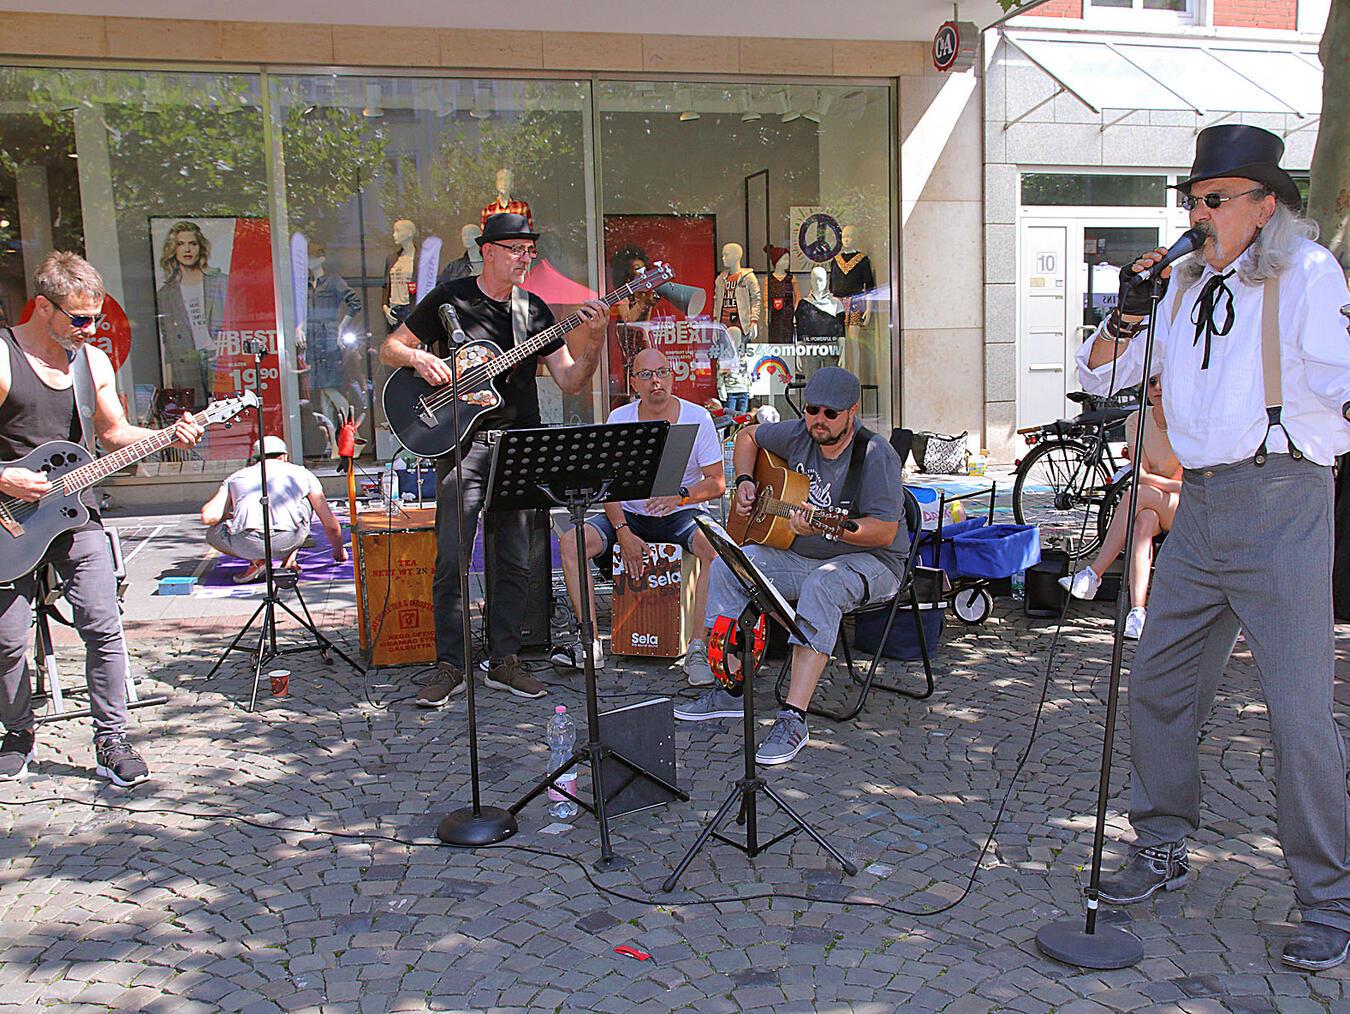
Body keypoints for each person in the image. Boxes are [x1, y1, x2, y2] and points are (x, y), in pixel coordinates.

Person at [1076, 124, 1350, 971]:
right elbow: (1097, 379)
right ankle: (1160, 843)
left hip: (1284, 501)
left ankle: (1330, 902)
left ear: (1265, 207)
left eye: (1214, 199)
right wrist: (1124, 316)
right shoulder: (1185, 287)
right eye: (1193, 199)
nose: (1198, 214)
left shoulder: (1307, 275)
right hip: (1199, 509)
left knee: (1299, 712)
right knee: (1159, 680)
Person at [380, 213, 605, 706]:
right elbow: (390, 347)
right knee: (453, 556)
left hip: (520, 446)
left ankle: (505, 660)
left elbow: (569, 381)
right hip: (462, 443)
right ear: (488, 251)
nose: (526, 258)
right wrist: (421, 359)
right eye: (516, 249)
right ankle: (450, 665)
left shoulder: (536, 311)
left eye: (530, 250)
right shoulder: (449, 298)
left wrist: (595, 342)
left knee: (516, 558)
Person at [0, 252, 204, 786]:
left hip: (74, 509)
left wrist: (166, 438)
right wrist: (4, 477)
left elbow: (113, 433)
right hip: (10, 518)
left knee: (102, 624)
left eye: (96, 319)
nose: (90, 330)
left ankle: (112, 739)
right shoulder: (3, 357)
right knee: (6, 639)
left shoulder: (89, 362)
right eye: (79, 319)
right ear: (43, 308)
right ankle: (18, 733)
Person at [674, 367, 907, 765]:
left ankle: (794, 717)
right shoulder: (799, 433)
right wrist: (746, 480)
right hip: (801, 555)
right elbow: (747, 436)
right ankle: (731, 688)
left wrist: (830, 526)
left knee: (823, 585)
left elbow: (884, 533)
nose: (818, 419)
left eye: (830, 413)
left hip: (873, 563)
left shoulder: (875, 455)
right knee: (734, 563)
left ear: (853, 412)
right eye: (811, 409)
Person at [550, 347, 726, 680]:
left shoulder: (698, 417)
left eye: (662, 372)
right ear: (634, 382)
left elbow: (717, 483)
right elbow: (608, 486)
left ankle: (699, 647)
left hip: (679, 512)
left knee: (714, 550)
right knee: (571, 543)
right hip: (629, 513)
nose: (656, 381)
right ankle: (590, 644)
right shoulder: (620, 419)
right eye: (646, 375)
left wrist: (681, 496)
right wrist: (622, 531)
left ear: (672, 376)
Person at [1059, 374, 1181, 639]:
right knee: (1143, 523)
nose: (1158, 387)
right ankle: (1137, 612)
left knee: (1136, 495)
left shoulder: (1186, 421)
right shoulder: (1136, 420)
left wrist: (1154, 485)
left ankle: (1094, 573)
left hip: (1181, 505)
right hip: (1152, 502)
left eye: (1164, 381)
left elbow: (1183, 484)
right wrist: (1156, 485)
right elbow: (1140, 473)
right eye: (1151, 382)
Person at [201, 435, 347, 584]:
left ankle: (257, 561)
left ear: (254, 459)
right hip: (288, 540)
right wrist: (339, 552)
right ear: (284, 456)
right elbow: (329, 523)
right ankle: (289, 559)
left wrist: (230, 516)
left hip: (246, 544)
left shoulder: (235, 477)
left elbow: (208, 517)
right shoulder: (302, 473)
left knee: (213, 532)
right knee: (307, 502)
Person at [155, 220, 228, 409]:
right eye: (180, 244)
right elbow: (168, 342)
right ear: (173, 249)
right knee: (194, 417)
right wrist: (169, 383)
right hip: (185, 363)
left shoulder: (220, 282)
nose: (187, 249)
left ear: (200, 247)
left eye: (192, 243)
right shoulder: (166, 293)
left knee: (225, 411)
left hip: (217, 358)